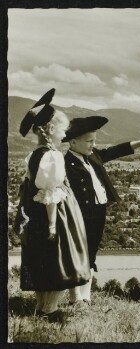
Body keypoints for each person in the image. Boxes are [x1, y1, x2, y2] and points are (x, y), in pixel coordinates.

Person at [62, 116, 140, 304]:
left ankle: (86, 297)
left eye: (94, 140)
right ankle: (76, 298)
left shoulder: (93, 156)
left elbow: (115, 151)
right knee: (78, 254)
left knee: (91, 254)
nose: (93, 144)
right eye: (89, 141)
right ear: (73, 142)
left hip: (98, 211)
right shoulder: (66, 164)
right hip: (80, 215)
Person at [15, 89, 90, 322]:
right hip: (54, 214)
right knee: (58, 257)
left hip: (33, 213)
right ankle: (49, 309)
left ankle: (42, 305)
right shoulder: (53, 156)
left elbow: (30, 188)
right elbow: (50, 193)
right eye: (63, 130)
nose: (65, 135)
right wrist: (52, 225)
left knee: (41, 258)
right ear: (50, 130)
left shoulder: (34, 155)